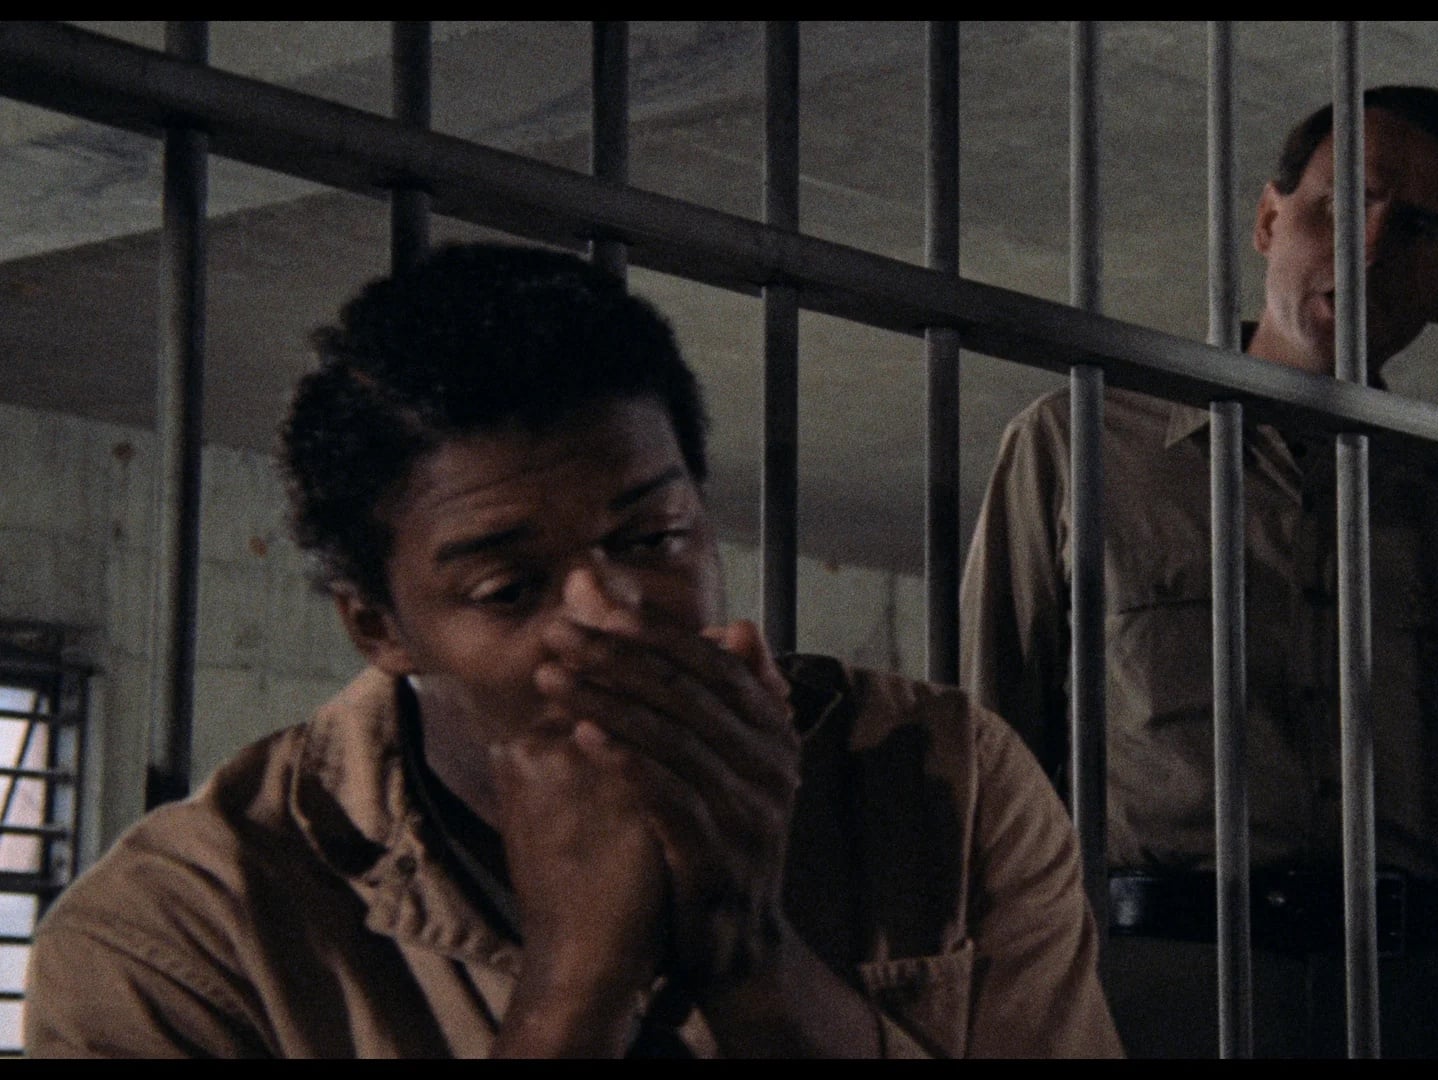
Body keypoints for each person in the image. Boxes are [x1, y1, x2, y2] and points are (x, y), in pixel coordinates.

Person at [25, 244, 1122, 1058]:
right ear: (380, 624)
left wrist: (753, 959)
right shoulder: (181, 931)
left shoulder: (942, 779)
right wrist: (573, 992)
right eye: (510, 587)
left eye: (654, 538)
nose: (611, 611)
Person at [960, 85, 1438, 1057]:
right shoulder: (1077, 444)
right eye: (1341, 203)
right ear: (1267, 217)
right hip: (1153, 990)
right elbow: (990, 767)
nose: (1370, 249)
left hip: (1401, 996)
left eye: (1417, 228)